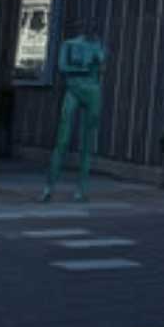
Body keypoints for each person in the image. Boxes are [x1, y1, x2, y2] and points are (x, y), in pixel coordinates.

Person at [43, 32, 107, 203]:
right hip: (73, 89)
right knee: (62, 140)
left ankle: (81, 189)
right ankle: (49, 187)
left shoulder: (99, 45)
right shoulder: (69, 44)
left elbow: (102, 68)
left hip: (93, 91)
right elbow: (62, 67)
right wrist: (83, 68)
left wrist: (98, 60)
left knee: (87, 143)